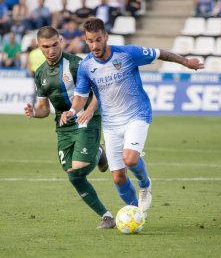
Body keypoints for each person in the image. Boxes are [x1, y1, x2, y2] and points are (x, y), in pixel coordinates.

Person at [59, 18, 203, 216]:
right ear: (86, 40)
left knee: (130, 160)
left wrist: (186, 62)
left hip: (137, 114)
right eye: (90, 41)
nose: (94, 45)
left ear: (106, 37)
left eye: (98, 40)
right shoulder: (86, 66)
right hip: (110, 124)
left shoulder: (127, 54)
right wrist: (72, 112)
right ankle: (137, 213)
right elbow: (81, 97)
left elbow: (161, 54)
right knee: (118, 177)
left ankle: (145, 184)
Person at [24, 26, 115, 229]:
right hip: (63, 124)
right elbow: (43, 109)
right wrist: (33, 113)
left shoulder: (77, 65)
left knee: (80, 167)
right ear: (39, 47)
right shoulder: (40, 74)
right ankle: (107, 216)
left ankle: (97, 151)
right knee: (73, 175)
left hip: (85, 117)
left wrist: (89, 111)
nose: (51, 50)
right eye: (46, 47)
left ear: (61, 41)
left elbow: (100, 92)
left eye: (55, 44)